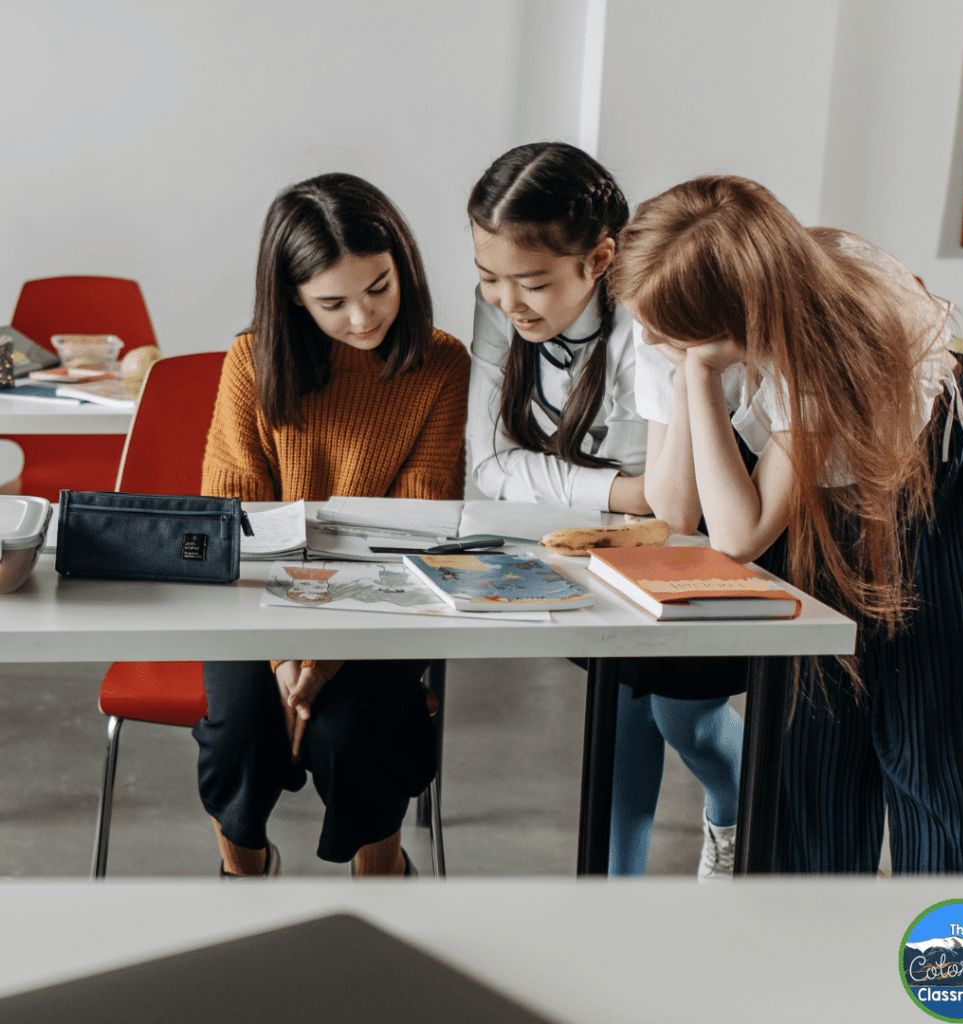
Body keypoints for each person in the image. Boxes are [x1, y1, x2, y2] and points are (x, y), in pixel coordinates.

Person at [611, 174, 963, 874]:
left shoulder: (827, 339)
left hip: (929, 480)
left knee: (927, 747)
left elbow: (739, 535)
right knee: (813, 741)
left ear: (736, 319)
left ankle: (955, 975)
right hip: (806, 491)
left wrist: (698, 375)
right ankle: (815, 951)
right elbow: (676, 511)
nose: (647, 337)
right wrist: (688, 370)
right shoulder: (669, 309)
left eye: (668, 332)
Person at [467, 142, 749, 879]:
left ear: (599, 260)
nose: (505, 301)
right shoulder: (503, 310)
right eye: (488, 277)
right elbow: (490, 469)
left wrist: (630, 494)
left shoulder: (652, 313)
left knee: (686, 720)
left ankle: (738, 819)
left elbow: (679, 503)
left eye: (529, 281)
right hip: (600, 545)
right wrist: (625, 492)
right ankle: (612, 894)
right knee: (621, 718)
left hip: (710, 533)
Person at [195, 172, 470, 877]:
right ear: (292, 297)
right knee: (241, 738)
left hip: (388, 598)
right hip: (254, 603)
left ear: (400, 264)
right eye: (332, 302)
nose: (362, 317)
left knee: (350, 736)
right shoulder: (250, 365)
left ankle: (381, 869)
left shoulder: (441, 365)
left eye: (379, 286)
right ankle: (241, 865)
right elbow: (237, 524)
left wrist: (323, 659)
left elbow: (416, 525)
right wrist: (289, 656)